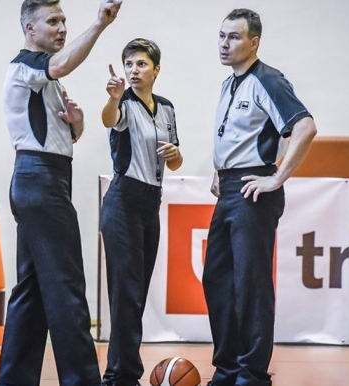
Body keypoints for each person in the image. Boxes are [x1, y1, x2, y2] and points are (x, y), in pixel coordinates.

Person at [0, 1, 123, 386]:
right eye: (53, 21)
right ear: (30, 29)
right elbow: (62, 64)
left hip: (40, 179)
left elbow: (58, 139)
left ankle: (15, 379)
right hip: (41, 183)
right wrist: (99, 25)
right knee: (67, 286)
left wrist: (77, 125)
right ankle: (83, 380)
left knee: (32, 289)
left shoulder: (44, 79)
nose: (62, 28)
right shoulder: (26, 65)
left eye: (64, 20)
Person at [203, 9, 317, 386]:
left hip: (255, 189)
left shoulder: (267, 79)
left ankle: (251, 374)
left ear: (254, 42)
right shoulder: (228, 83)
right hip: (230, 188)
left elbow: (305, 126)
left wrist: (277, 178)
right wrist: (220, 171)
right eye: (221, 36)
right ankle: (229, 366)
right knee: (216, 278)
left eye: (233, 37)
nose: (224, 43)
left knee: (250, 284)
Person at [99, 38, 183, 386]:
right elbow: (108, 119)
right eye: (129, 63)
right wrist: (113, 96)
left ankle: (123, 372)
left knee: (136, 294)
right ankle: (120, 376)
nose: (134, 70)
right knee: (127, 295)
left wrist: (174, 154)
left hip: (152, 203)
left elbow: (177, 161)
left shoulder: (166, 108)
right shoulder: (123, 104)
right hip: (123, 202)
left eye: (141, 64)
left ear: (156, 70)